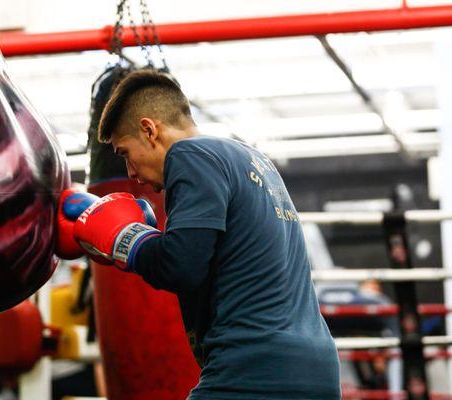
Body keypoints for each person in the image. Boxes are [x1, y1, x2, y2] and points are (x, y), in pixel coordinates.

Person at [59, 70, 341, 399]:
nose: (131, 174)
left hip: (254, 371)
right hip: (314, 370)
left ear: (149, 130)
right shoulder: (253, 159)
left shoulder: (189, 155)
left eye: (124, 153)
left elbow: (181, 265)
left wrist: (123, 238)